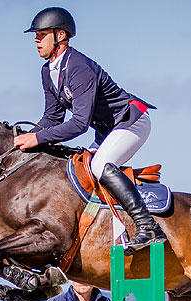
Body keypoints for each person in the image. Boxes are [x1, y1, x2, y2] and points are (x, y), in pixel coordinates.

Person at [14, 6, 166, 257]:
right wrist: (24, 138)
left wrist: (37, 138)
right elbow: (53, 116)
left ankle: (147, 226)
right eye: (36, 35)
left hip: (131, 120)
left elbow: (79, 124)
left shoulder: (78, 67)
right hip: (106, 130)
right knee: (80, 168)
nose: (36, 39)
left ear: (60, 36)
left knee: (100, 165)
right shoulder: (47, 71)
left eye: (41, 34)